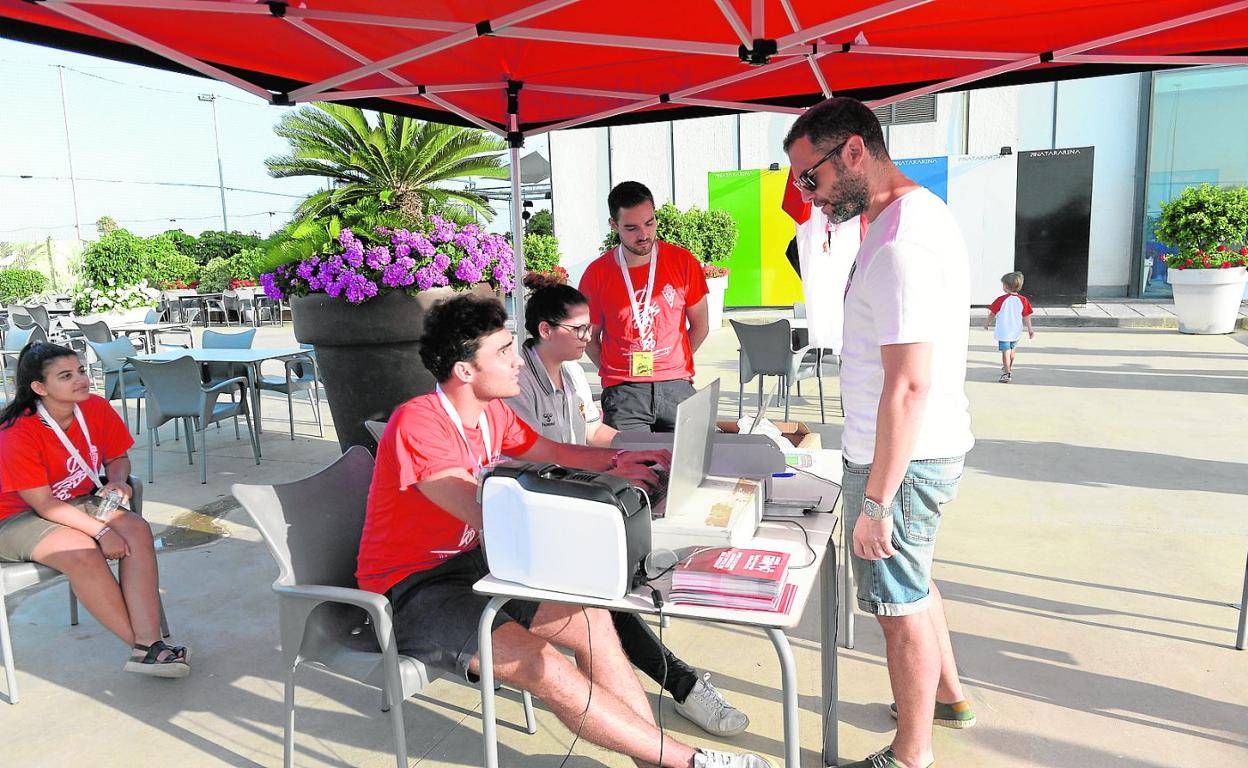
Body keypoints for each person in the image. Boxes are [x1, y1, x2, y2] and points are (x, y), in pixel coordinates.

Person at [357, 294, 771, 768]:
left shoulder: (491, 412)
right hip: (409, 589)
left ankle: (660, 763)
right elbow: (490, 518)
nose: (518, 361)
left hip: (476, 566)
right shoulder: (419, 424)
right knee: (544, 665)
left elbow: (551, 450)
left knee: (594, 618)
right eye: (504, 353)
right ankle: (689, 761)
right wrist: (592, 520)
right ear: (465, 371)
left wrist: (618, 463)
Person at [784, 97, 976, 768]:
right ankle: (947, 695)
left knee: (898, 609)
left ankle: (911, 754)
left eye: (812, 177)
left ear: (855, 152)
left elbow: (908, 384)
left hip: (901, 459)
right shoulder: (909, 217)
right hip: (914, 450)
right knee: (916, 585)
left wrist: (875, 503)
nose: (809, 195)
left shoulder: (899, 242)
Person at [506, 284, 749, 737]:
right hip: (543, 507)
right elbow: (534, 455)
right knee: (611, 594)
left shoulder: (574, 372)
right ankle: (682, 684)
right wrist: (613, 468)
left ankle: (668, 676)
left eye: (588, 326)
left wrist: (648, 450)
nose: (588, 337)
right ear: (544, 329)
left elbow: (594, 431)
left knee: (647, 545)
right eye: (579, 329)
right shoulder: (516, 383)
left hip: (577, 495)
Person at [0, 342, 189, 677]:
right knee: (83, 551)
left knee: (136, 528)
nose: (81, 380)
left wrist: (117, 481)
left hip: (73, 502)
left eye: (82, 371)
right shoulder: (17, 433)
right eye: (66, 375)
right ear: (39, 388)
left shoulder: (95, 408)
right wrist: (102, 531)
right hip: (14, 518)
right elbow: (42, 504)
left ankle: (148, 643)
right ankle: (146, 649)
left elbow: (117, 457)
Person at [579, 181, 710, 432]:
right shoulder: (597, 274)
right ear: (613, 225)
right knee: (629, 469)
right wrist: (613, 371)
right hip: (624, 393)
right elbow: (589, 337)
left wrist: (673, 363)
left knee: (684, 468)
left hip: (676, 388)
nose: (644, 235)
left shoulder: (683, 263)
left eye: (650, 223)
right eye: (631, 228)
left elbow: (701, 325)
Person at [984, 271, 1035, 383]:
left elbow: (992, 313)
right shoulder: (1023, 300)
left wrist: (987, 323)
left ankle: (1006, 373)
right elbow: (1026, 316)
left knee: (1005, 352)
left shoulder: (1001, 299)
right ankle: (1009, 367)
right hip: (1016, 332)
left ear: (1006, 287)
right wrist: (1030, 330)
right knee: (1012, 351)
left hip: (1004, 332)